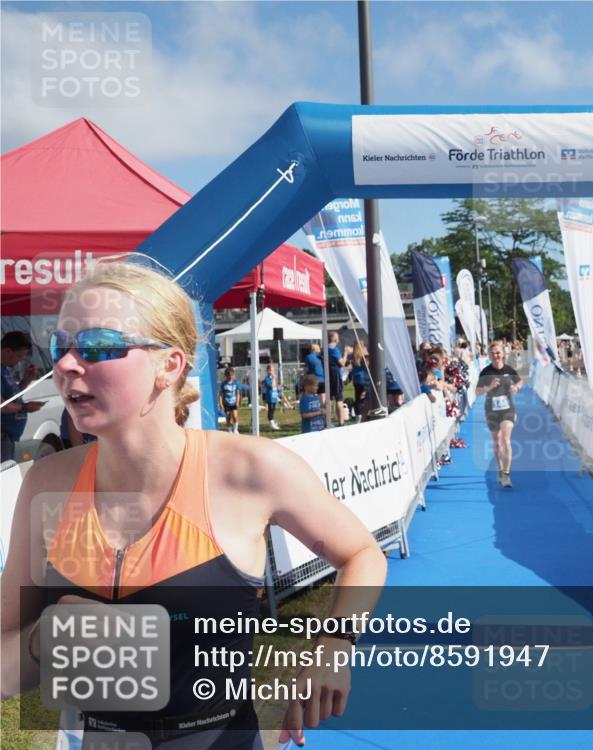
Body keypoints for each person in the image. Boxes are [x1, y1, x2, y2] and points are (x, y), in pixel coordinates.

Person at [0, 259, 387, 748]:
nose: (66, 364)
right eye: (62, 346)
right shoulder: (47, 484)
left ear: (170, 365)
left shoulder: (250, 470)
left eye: (97, 346)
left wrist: (335, 645)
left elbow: (361, 554)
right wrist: (45, 644)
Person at [475, 342, 521, 488]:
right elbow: (477, 391)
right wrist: (489, 387)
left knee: (506, 440)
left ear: (503, 354)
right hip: (491, 410)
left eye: (498, 352)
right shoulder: (485, 372)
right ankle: (500, 469)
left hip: (508, 409)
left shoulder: (509, 369)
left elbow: (520, 381)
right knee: (497, 441)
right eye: (493, 353)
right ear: (489, 355)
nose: (496, 355)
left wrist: (516, 387)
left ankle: (506, 475)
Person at [0, 331, 44, 463]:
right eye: (19, 356)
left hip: (8, 438)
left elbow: (12, 396)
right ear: (7, 351)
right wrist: (24, 407)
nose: (20, 360)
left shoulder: (5, 369)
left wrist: (26, 380)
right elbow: (1, 405)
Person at [327, 331, 351, 426]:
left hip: (327, 374)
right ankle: (341, 422)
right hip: (335, 375)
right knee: (339, 398)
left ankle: (327, 421)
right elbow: (342, 363)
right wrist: (346, 353)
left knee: (328, 399)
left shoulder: (324, 349)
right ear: (335, 339)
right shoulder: (334, 349)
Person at [219, 366, 241, 434]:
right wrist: (221, 403)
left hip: (234, 403)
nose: (230, 377)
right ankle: (229, 429)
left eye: (231, 375)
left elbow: (238, 393)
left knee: (234, 416)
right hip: (226, 403)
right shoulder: (223, 384)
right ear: (226, 375)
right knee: (228, 417)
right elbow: (221, 395)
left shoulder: (235, 383)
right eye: (228, 375)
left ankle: (235, 429)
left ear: (233, 375)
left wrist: (237, 402)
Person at [304, 342, 326, 407]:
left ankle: (315, 408)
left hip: (313, 379)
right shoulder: (321, 356)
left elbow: (306, 369)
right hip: (323, 379)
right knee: (322, 394)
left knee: (312, 395)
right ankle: (323, 408)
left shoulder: (308, 357)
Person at [262, 364, 281, 430]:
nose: (272, 371)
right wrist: (273, 378)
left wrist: (278, 393)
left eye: (273, 370)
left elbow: (275, 386)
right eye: (271, 370)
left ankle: (273, 421)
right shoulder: (267, 379)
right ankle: (271, 423)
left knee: (273, 409)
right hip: (270, 397)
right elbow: (272, 386)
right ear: (267, 371)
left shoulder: (273, 378)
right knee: (271, 410)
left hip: (274, 396)